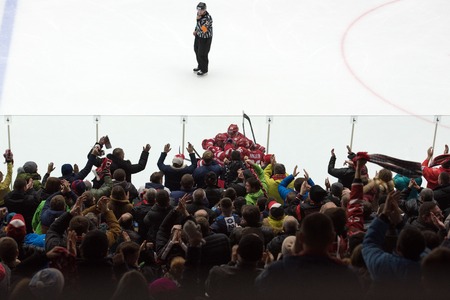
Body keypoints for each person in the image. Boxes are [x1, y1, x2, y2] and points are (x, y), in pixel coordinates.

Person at [193, 2, 213, 76]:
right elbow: (198, 26)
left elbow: (204, 29)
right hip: (198, 36)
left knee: (202, 53)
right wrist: (195, 30)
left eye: (201, 10)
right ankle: (200, 66)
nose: (199, 11)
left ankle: (204, 69)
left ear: (205, 9)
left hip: (205, 38)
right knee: (196, 50)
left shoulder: (208, 18)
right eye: (198, 10)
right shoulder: (199, 15)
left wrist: (198, 20)